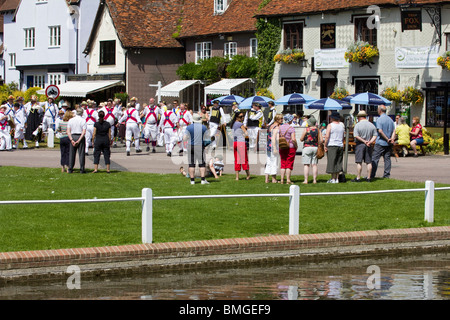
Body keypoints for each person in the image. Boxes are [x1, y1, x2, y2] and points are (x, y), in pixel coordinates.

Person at [351, 110, 377, 182]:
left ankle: (358, 177)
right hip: (369, 144)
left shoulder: (357, 125)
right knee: (369, 162)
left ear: (359, 117)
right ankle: (369, 177)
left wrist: (364, 141)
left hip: (360, 144)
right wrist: (370, 141)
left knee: (359, 162)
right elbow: (375, 135)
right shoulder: (371, 125)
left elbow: (356, 136)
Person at [370, 105, 395, 180]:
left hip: (381, 142)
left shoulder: (379, 119)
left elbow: (380, 131)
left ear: (380, 110)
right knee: (387, 159)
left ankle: (372, 174)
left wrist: (387, 138)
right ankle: (386, 175)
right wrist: (392, 139)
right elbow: (394, 131)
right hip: (388, 143)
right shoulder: (390, 119)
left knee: (375, 159)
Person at [183, 113, 210, 185]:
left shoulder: (189, 127)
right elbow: (208, 138)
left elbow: (184, 138)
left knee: (191, 164)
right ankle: (203, 180)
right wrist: (205, 145)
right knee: (202, 164)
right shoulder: (203, 127)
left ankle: (192, 180)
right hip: (200, 146)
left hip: (190, 146)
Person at [300, 115, 322, 184]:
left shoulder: (306, 129)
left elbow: (301, 139)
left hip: (307, 147)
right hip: (315, 147)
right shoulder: (318, 130)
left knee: (306, 165)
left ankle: (306, 180)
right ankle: (314, 180)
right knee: (314, 164)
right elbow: (321, 140)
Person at [324, 111, 345, 184]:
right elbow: (343, 137)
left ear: (332, 118)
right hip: (340, 144)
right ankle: (337, 178)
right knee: (338, 162)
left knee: (332, 162)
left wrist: (325, 145)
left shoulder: (330, 125)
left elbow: (327, 136)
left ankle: (333, 178)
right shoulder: (341, 126)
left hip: (332, 144)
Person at [67, 108, 87, 174]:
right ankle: (82, 169)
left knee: (72, 154)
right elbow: (83, 132)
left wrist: (71, 139)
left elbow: (68, 131)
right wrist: (79, 140)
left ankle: (70, 168)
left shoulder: (71, 120)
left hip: (73, 135)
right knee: (81, 154)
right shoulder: (83, 120)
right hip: (79, 136)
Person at [279, 114, 296, 184]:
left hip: (282, 146)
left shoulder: (280, 127)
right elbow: (293, 139)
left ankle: (282, 179)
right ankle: (288, 180)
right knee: (289, 163)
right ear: (290, 120)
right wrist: (296, 146)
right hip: (290, 147)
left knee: (283, 163)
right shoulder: (291, 128)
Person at [265, 114, 282, 183]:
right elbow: (274, 139)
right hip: (273, 146)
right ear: (277, 119)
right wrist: (275, 148)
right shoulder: (276, 128)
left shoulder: (271, 126)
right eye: (281, 118)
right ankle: (274, 179)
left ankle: (266, 179)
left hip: (268, 145)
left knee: (268, 162)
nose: (282, 120)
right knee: (274, 162)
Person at [232, 112, 250, 180]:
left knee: (237, 160)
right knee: (244, 159)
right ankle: (248, 175)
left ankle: (237, 177)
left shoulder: (233, 124)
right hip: (241, 143)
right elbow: (246, 133)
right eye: (241, 116)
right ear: (237, 117)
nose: (242, 118)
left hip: (235, 142)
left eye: (242, 116)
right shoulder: (240, 124)